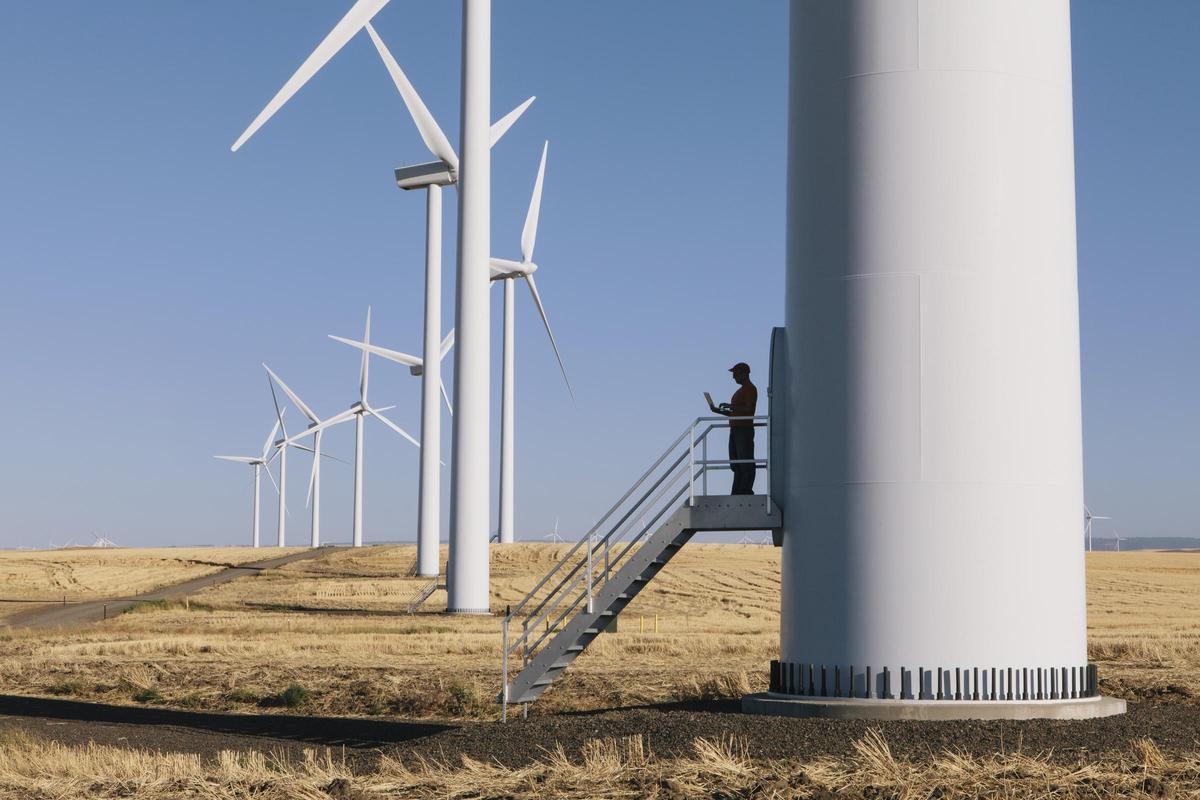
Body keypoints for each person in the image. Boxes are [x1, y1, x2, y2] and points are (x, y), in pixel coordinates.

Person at [709, 362, 758, 495]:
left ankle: (745, 489)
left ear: (744, 373)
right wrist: (719, 410)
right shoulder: (742, 390)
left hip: (744, 429)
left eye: (735, 374)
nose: (734, 377)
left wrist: (730, 407)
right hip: (736, 428)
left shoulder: (750, 389)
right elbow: (736, 412)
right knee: (735, 462)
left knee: (745, 459)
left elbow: (748, 409)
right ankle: (737, 489)